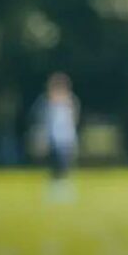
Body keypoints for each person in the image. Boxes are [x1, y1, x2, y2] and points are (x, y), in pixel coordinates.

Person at [32, 72, 80, 203]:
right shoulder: (47, 104)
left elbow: (73, 120)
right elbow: (43, 122)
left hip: (66, 140)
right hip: (54, 140)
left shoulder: (70, 102)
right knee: (55, 167)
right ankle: (54, 192)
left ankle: (64, 192)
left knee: (66, 166)